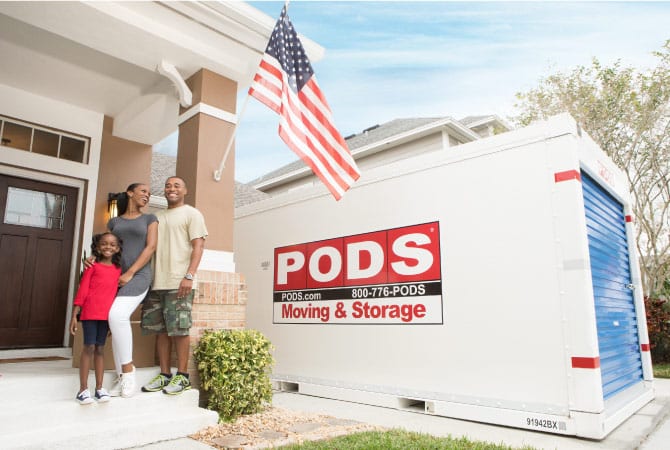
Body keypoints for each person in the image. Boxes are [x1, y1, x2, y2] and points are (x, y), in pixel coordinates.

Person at [141, 176, 207, 395]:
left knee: (179, 330)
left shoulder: (192, 214)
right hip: (156, 282)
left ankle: (183, 376)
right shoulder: (156, 217)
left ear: (185, 190)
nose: (171, 189)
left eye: (177, 185)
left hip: (180, 282)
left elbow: (198, 246)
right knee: (161, 332)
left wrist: (189, 275)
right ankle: (165, 374)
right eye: (168, 185)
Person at [105, 183, 158, 397]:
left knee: (116, 315)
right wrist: (94, 260)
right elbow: (109, 248)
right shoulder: (114, 221)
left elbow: (151, 247)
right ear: (130, 192)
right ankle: (121, 376)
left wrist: (130, 273)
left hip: (139, 275)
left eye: (149, 193)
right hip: (116, 277)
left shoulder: (149, 219)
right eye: (143, 191)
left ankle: (128, 371)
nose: (147, 195)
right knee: (115, 321)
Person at [70, 232, 122, 405]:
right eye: (104, 244)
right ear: (98, 247)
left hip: (106, 317)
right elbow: (83, 290)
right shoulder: (92, 266)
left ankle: (99, 388)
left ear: (118, 248)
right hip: (90, 314)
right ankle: (82, 390)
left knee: (100, 349)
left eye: (112, 244)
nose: (108, 247)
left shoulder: (118, 270)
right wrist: (74, 315)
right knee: (89, 347)